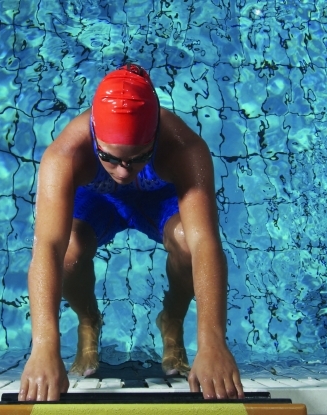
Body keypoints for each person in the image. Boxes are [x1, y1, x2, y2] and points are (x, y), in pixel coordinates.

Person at [18, 64, 244, 402]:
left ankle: (173, 319)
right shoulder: (64, 154)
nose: (123, 172)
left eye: (139, 158)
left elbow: (205, 243)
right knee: (69, 253)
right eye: (109, 158)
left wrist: (213, 342)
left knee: (185, 241)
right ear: (94, 135)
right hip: (98, 203)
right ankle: (88, 320)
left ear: (154, 137)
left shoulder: (185, 149)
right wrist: (43, 347)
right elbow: (48, 247)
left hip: (158, 202)